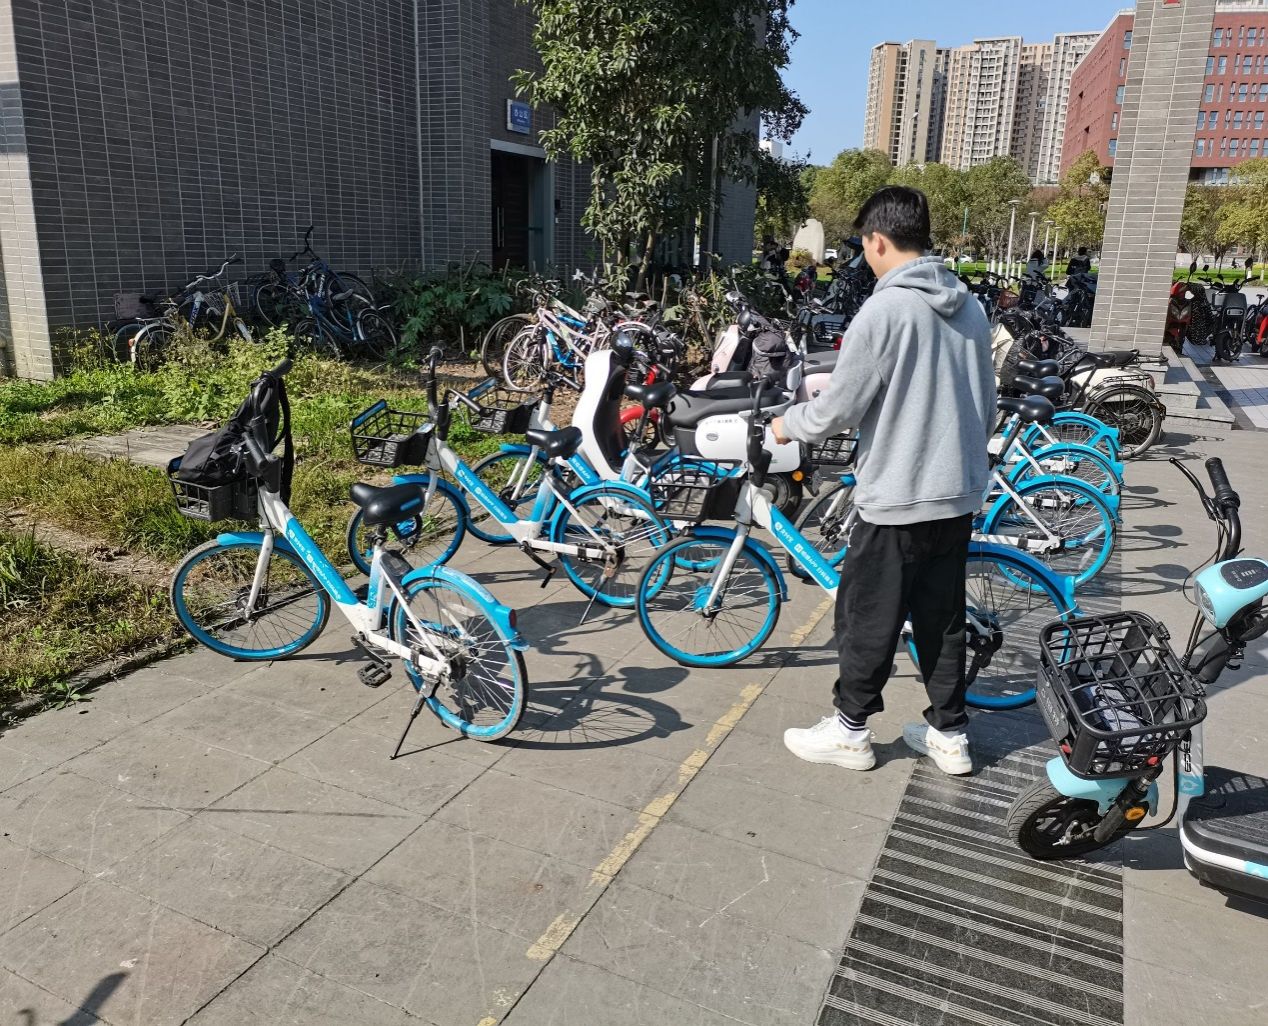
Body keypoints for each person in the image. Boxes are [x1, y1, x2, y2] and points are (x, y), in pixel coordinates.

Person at [770, 186, 996, 776]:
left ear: (876, 241)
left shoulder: (885, 310)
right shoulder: (970, 308)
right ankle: (950, 735)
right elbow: (988, 407)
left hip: (896, 498)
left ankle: (850, 732)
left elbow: (838, 409)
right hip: (957, 495)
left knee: (867, 618)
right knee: (942, 622)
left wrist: (786, 424)